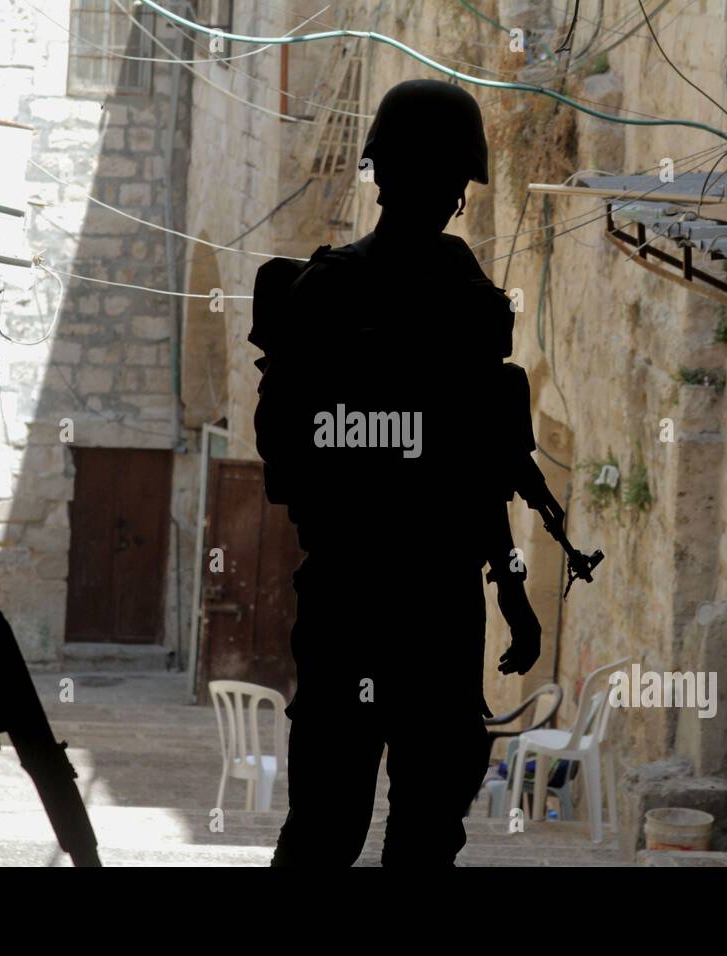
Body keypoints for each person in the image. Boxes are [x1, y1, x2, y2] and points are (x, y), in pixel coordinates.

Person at [251, 79, 543, 867]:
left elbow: (482, 462)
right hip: (395, 599)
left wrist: (508, 579)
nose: (444, 196)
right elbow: (284, 445)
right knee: (361, 830)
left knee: (381, 828)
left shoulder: (426, 290)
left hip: (392, 596)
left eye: (447, 182)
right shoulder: (375, 294)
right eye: (441, 179)